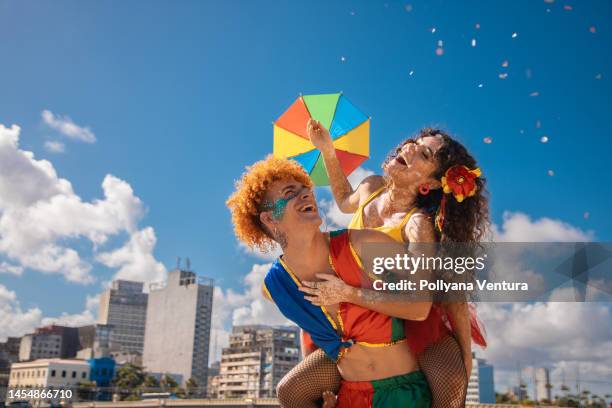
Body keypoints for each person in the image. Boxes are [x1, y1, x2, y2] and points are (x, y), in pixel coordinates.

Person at [274, 120, 490, 408]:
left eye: (425, 155)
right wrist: (327, 150)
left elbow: (426, 305)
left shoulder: (417, 226)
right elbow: (342, 200)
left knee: (451, 390)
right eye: (416, 141)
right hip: (350, 322)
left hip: (397, 322)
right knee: (289, 391)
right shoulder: (372, 186)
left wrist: (464, 362)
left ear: (430, 185)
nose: (409, 146)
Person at [227, 156, 438, 408]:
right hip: (349, 398)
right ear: (269, 218)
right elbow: (311, 332)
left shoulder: (362, 244)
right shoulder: (276, 285)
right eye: (290, 192)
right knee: (287, 391)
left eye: (306, 189)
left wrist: (348, 293)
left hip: (404, 394)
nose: (306, 194)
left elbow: (420, 306)